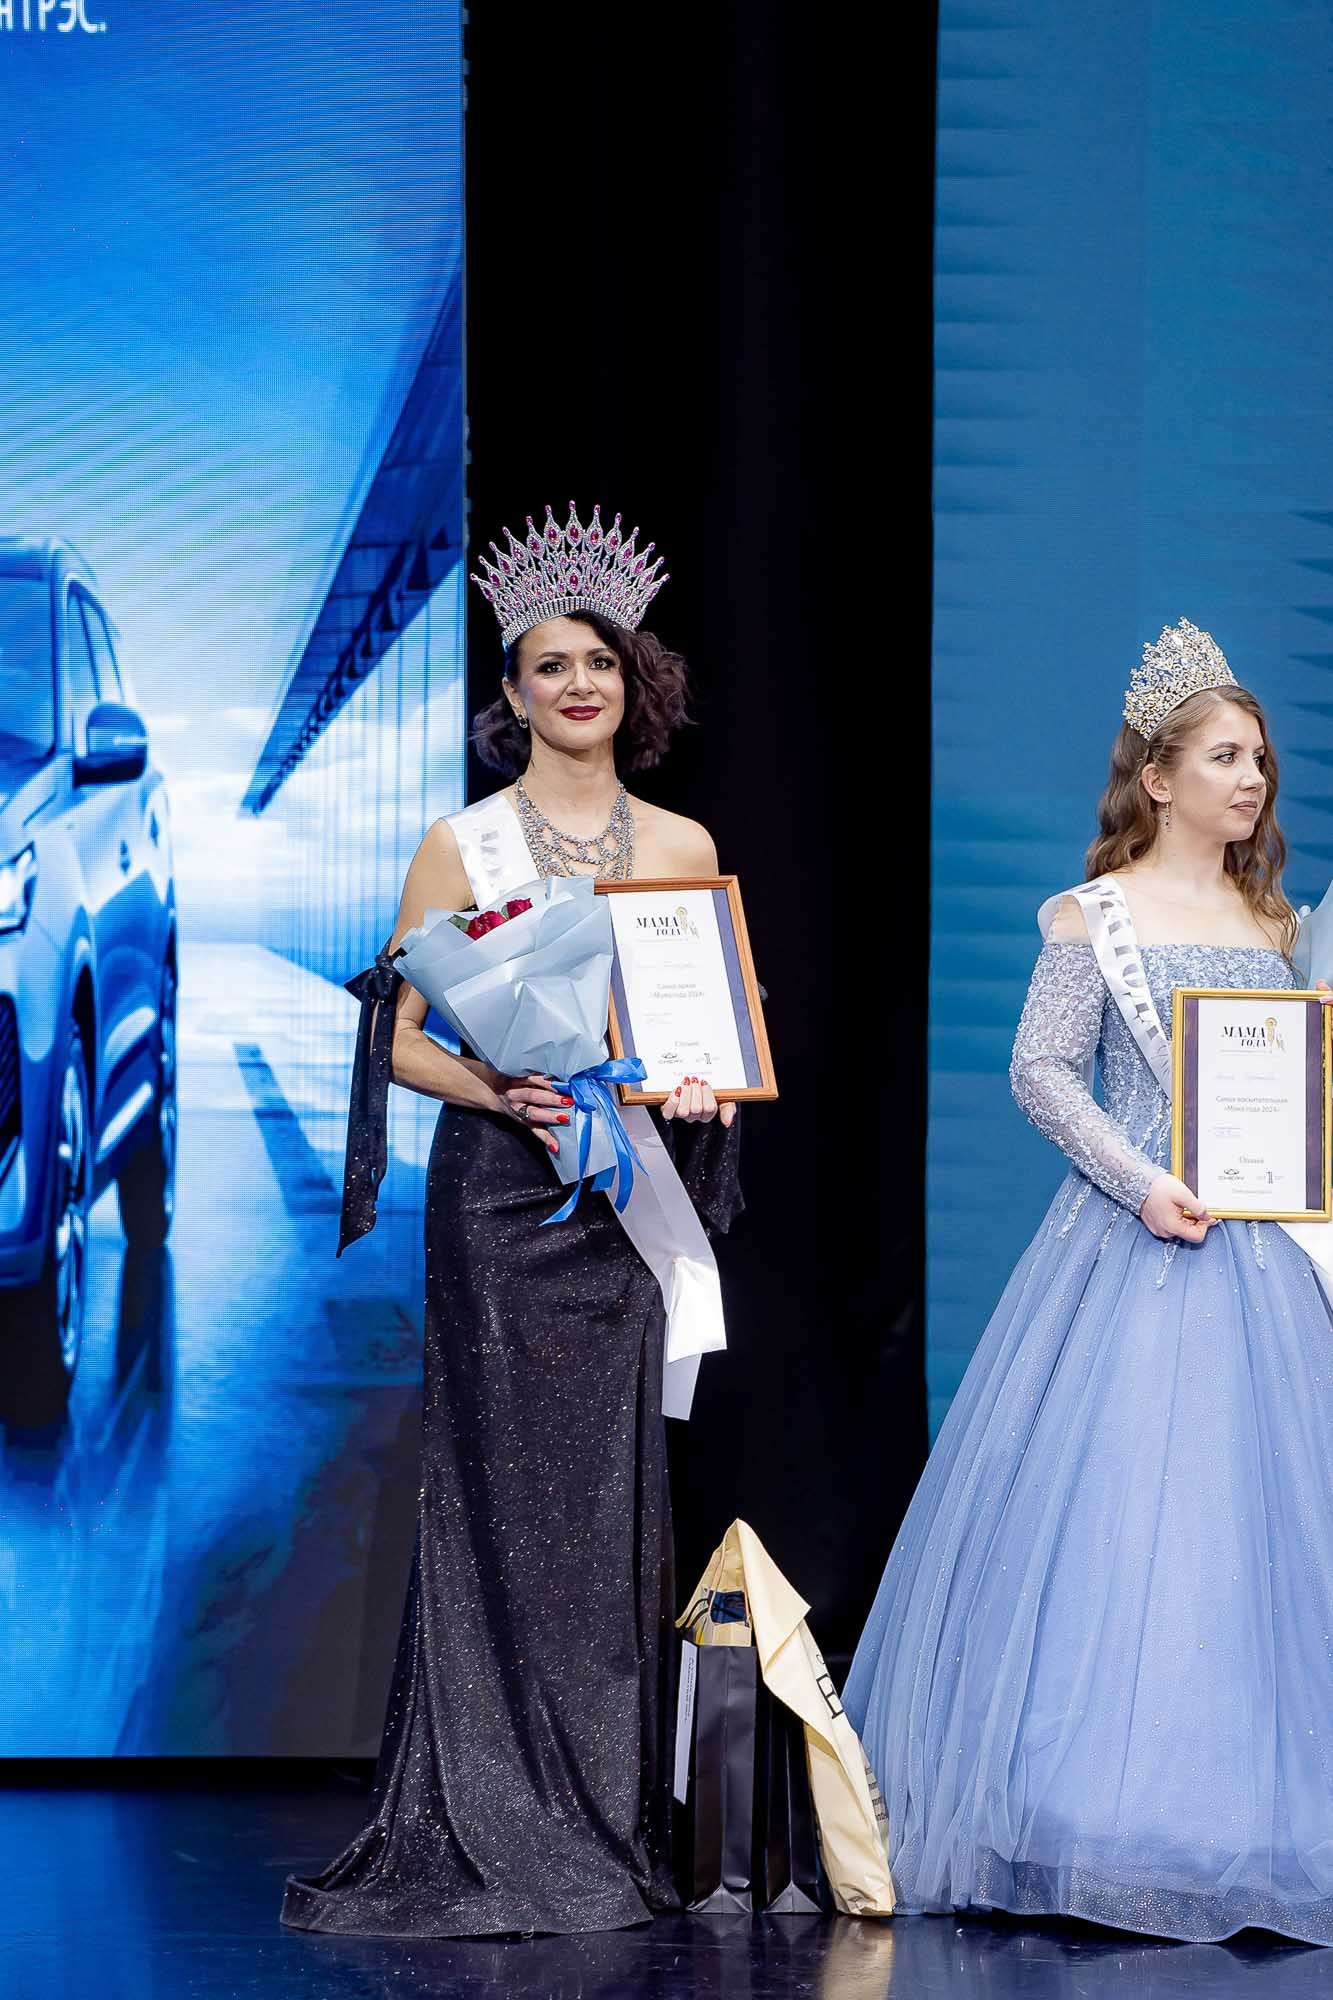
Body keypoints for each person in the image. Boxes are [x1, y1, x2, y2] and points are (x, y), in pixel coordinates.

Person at [280, 502, 742, 1939]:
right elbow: (396, 1035)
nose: (578, 684)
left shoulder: (681, 841)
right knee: (494, 1502)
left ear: (633, 678)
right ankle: (486, 1813)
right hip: (498, 1204)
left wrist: (699, 1085)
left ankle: (601, 1820)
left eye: (599, 660)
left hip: (622, 1204)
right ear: (513, 691)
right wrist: (502, 1092)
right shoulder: (462, 846)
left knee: (608, 1509)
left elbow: (709, 1030)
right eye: (552, 664)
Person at [845, 618, 1333, 1945]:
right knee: (1130, 1531)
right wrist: (1140, 1180)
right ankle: (1098, 1819)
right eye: (1224, 757)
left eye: (1259, 760)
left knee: (1257, 1539)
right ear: (1157, 778)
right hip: (1138, 1250)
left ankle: (1261, 1817)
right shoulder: (1093, 917)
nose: (1251, 779)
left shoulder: (1279, 923)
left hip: (1269, 1261)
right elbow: (1040, 1069)